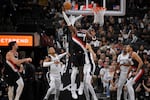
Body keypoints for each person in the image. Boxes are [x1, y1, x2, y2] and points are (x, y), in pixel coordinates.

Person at [62, 9, 87, 99]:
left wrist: (94, 37)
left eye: (79, 22)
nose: (78, 23)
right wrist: (64, 14)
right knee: (74, 71)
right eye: (77, 23)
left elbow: (92, 38)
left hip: (83, 54)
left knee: (81, 71)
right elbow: (69, 23)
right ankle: (73, 88)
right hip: (75, 54)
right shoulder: (74, 31)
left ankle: (81, 85)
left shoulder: (84, 32)